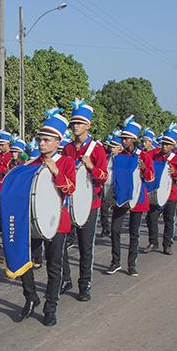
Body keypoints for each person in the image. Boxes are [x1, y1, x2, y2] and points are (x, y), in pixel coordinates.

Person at [15, 110, 77, 327]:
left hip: (57, 222)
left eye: (46, 140)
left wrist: (56, 172)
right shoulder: (32, 163)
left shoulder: (67, 162)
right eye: (40, 139)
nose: (41, 143)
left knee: (54, 267)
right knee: (25, 263)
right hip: (33, 221)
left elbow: (70, 189)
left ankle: (50, 307)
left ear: (57, 142)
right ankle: (31, 296)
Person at [60, 101, 108, 302]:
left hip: (90, 204)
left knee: (85, 246)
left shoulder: (97, 149)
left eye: (79, 123)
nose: (75, 127)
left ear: (88, 125)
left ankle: (84, 284)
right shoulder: (67, 148)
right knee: (60, 243)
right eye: (73, 124)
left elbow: (103, 177)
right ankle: (65, 279)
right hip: (69, 202)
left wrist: (91, 167)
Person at [105, 117, 155, 277]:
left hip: (138, 197)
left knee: (134, 232)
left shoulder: (143, 156)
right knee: (115, 230)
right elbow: (111, 175)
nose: (123, 141)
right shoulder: (118, 155)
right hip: (120, 196)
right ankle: (115, 262)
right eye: (122, 138)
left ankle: (131, 264)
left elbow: (150, 178)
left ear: (134, 139)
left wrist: (144, 168)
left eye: (126, 138)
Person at [152, 128, 177, 254]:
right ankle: (153, 242)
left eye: (167, 144)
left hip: (172, 193)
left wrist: (175, 173)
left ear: (173, 146)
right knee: (152, 217)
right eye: (163, 143)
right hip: (156, 192)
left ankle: (167, 244)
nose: (164, 146)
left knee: (169, 219)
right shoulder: (154, 155)